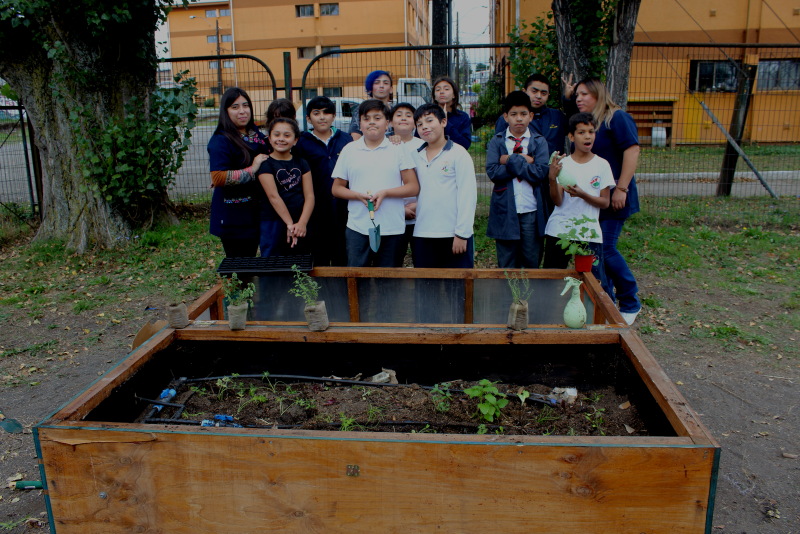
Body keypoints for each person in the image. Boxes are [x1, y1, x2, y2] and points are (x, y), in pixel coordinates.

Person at [564, 76, 642, 324]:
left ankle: (630, 301)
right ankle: (606, 302)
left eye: (584, 94)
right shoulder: (592, 123)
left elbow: (632, 150)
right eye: (577, 95)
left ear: (598, 94)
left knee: (606, 250)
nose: (579, 99)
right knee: (595, 251)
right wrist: (568, 96)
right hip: (595, 201)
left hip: (616, 196)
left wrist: (622, 187)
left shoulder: (616, 117)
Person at [332, 100, 419, 267]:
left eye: (377, 118)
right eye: (366, 118)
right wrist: (357, 195)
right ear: (360, 124)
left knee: (388, 281)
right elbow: (336, 188)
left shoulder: (398, 148)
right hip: (358, 227)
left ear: (387, 123)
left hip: (392, 227)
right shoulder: (349, 150)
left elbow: (413, 186)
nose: (371, 122)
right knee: (357, 278)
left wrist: (386, 193)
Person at [543, 112, 614, 286]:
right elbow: (558, 201)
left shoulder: (602, 165)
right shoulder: (563, 164)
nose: (587, 136)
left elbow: (605, 202)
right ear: (571, 136)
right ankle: (551, 313)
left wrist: (583, 194)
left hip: (588, 232)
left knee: (592, 283)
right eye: (582, 132)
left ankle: (589, 313)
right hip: (560, 230)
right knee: (551, 281)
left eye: (591, 131)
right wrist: (552, 179)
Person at [486, 91, 550, 268]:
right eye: (514, 114)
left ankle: (529, 295)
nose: (519, 119)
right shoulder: (497, 141)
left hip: (531, 209)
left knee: (531, 259)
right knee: (506, 261)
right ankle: (507, 296)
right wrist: (526, 160)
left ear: (530, 115)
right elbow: (493, 172)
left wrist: (509, 159)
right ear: (506, 117)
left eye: (523, 114)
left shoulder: (539, 141)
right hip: (505, 210)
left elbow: (540, 172)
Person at [411, 103, 477, 268]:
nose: (425, 127)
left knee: (457, 289)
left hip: (452, 234)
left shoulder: (459, 154)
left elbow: (467, 195)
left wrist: (462, 234)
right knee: (426, 289)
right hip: (423, 233)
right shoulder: (414, 156)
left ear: (443, 122)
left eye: (429, 121)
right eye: (419, 124)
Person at [207, 87, 270, 257]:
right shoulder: (221, 140)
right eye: (235, 107)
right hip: (233, 217)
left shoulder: (255, 133)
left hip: (255, 211)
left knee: (250, 261)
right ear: (226, 111)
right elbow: (218, 177)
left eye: (245, 105)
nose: (242, 111)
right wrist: (252, 169)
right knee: (239, 266)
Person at [294, 96, 353, 266]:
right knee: (319, 254)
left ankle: (342, 290)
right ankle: (322, 290)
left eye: (327, 113)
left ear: (333, 116)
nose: (322, 117)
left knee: (341, 252)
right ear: (308, 118)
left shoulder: (345, 140)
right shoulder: (302, 142)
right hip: (316, 207)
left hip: (343, 207)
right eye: (316, 113)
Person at [256, 118, 314, 257]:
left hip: (300, 221)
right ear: (269, 138)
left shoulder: (302, 162)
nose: (281, 139)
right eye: (277, 135)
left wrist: (301, 223)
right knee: (273, 262)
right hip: (273, 223)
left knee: (301, 263)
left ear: (295, 140)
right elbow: (273, 196)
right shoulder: (266, 164)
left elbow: (310, 196)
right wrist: (289, 224)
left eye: (287, 135)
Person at [495, 73, 567, 155]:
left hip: (554, 166)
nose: (539, 96)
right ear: (524, 91)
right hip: (523, 166)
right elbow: (498, 152)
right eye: (534, 91)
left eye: (543, 93)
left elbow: (577, 127)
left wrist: (568, 100)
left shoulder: (557, 116)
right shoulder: (508, 119)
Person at [389, 102, 425, 266]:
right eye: (399, 114)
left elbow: (428, 181)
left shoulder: (423, 145)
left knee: (422, 260)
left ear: (415, 123)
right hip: (393, 213)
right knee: (393, 260)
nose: (403, 118)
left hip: (421, 214)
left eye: (408, 115)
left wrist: (419, 205)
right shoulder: (385, 145)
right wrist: (400, 209)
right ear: (390, 122)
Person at [350, 70, 394, 140]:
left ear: (391, 89)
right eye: (377, 83)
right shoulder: (360, 109)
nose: (381, 86)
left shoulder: (396, 112)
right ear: (370, 87)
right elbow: (355, 137)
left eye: (385, 83)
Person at [433, 76, 472, 150]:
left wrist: (446, 122)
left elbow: (465, 144)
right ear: (434, 96)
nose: (441, 92)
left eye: (446, 89)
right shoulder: (427, 115)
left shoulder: (463, 117)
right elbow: (419, 141)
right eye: (438, 90)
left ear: (454, 94)